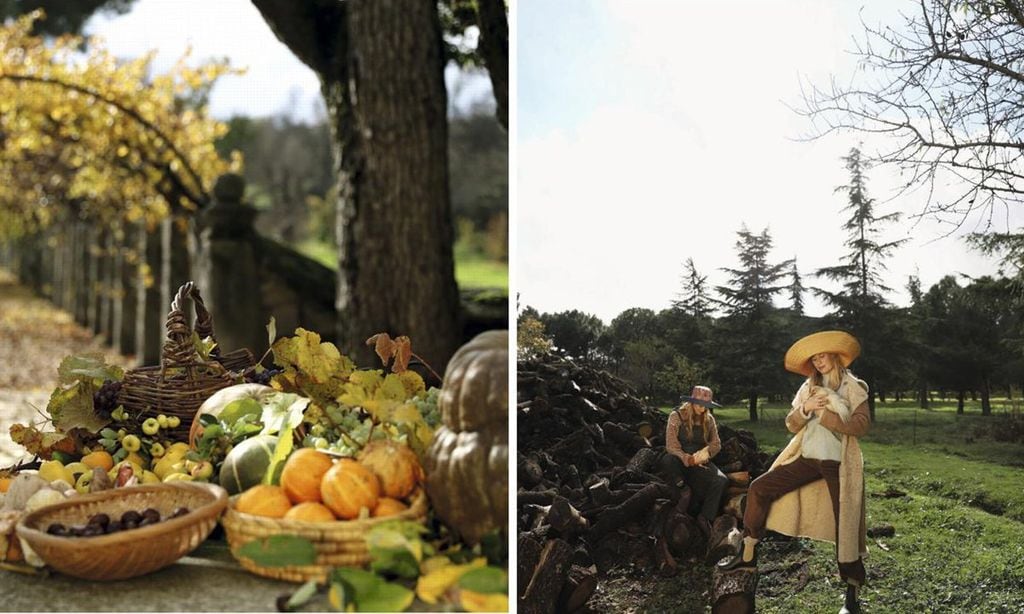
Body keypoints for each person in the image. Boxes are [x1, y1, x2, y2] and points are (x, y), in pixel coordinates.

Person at [718, 330, 870, 614]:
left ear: (835, 356)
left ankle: (852, 593)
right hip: (807, 458)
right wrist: (806, 407)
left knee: (845, 526)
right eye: (814, 359)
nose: (819, 362)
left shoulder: (852, 385)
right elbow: (791, 423)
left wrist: (825, 415)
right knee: (759, 488)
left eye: (822, 356)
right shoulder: (808, 386)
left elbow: (861, 425)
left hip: (838, 464)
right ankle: (748, 553)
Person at [659, 385, 729, 536]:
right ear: (691, 402)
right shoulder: (676, 416)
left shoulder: (709, 419)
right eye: (700, 404)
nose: (703, 408)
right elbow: (671, 445)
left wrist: (705, 455)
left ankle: (705, 517)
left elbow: (716, 444)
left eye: (706, 406)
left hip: (699, 460)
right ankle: (683, 488)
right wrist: (685, 458)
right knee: (667, 460)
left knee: (721, 480)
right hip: (679, 457)